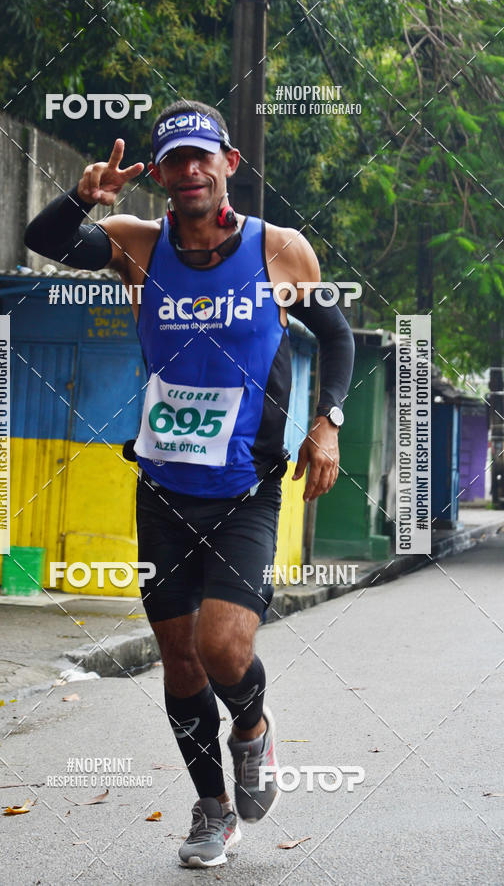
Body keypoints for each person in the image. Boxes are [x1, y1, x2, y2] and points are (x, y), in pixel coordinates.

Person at [24, 99, 354, 868]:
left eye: (203, 156)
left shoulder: (280, 251)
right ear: (162, 176)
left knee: (222, 647)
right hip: (164, 490)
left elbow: (336, 334)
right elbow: (46, 241)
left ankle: (252, 730)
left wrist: (329, 421)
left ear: (228, 163)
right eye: (175, 160)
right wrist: (81, 197)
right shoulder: (138, 245)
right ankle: (212, 810)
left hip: (246, 490)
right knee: (178, 658)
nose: (191, 171)